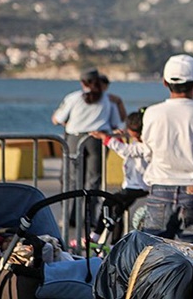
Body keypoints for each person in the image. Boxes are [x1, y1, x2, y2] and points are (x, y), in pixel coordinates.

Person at [141, 54, 193, 245]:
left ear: (164, 82)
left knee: (154, 254)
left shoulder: (152, 113)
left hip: (160, 188)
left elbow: (148, 152)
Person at [52, 68, 121, 228]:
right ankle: (90, 217)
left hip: (75, 139)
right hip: (97, 140)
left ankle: (70, 217)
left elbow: (58, 119)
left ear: (82, 82)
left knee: (72, 179)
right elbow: (116, 124)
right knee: (94, 180)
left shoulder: (74, 98)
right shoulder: (108, 99)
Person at [89, 110, 150, 243]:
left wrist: (106, 138)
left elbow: (127, 150)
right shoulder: (138, 143)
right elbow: (127, 154)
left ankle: (96, 234)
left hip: (139, 186)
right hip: (131, 185)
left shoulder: (146, 145)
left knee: (108, 202)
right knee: (117, 212)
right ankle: (114, 243)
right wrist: (116, 138)